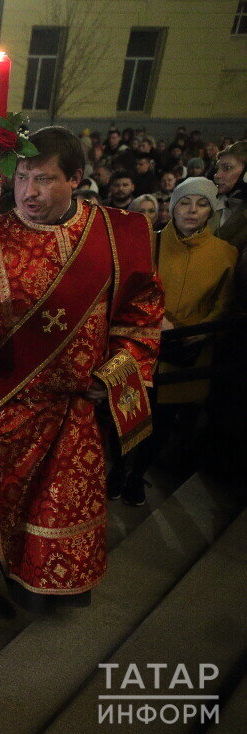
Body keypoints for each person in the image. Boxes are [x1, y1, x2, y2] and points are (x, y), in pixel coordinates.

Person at [0, 126, 164, 637]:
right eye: (23, 178)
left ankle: (29, 583)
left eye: (45, 179)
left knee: (50, 507)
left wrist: (114, 374)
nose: (29, 192)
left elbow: (141, 318)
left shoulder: (116, 235)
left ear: (75, 178)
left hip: (71, 410)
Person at [118, 176, 236, 503]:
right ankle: (117, 469)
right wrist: (157, 317)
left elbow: (223, 304)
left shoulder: (225, 254)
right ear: (172, 207)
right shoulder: (150, 242)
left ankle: (137, 475)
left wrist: (198, 330)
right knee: (128, 412)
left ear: (211, 211)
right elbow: (132, 288)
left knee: (163, 422)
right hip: (144, 343)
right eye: (184, 202)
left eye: (201, 204)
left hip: (188, 350)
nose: (192, 211)